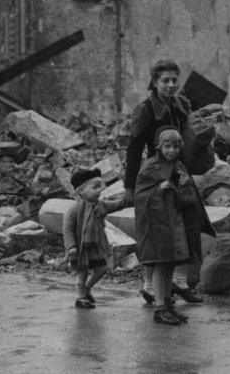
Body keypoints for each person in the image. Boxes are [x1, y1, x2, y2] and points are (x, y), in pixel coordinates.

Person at [123, 59, 204, 305]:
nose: (170, 85)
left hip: (179, 171)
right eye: (165, 81)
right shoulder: (145, 109)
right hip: (157, 172)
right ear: (155, 82)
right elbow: (134, 149)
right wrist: (130, 186)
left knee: (185, 226)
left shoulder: (181, 104)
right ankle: (149, 287)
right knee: (159, 229)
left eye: (174, 80)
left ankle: (178, 283)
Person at [134, 127, 214, 325]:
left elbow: (187, 197)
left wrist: (184, 185)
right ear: (159, 146)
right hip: (158, 226)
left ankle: (168, 303)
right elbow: (140, 196)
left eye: (176, 146)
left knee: (170, 264)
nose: (171, 150)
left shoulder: (178, 166)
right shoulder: (150, 166)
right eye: (167, 146)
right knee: (162, 264)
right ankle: (160, 308)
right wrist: (159, 189)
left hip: (174, 224)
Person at [62, 168, 126, 309]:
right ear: (81, 191)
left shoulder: (100, 206)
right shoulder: (74, 208)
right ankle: (80, 298)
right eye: (95, 187)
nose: (99, 191)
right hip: (80, 247)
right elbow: (67, 229)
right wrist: (71, 246)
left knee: (103, 268)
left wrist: (128, 198)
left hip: (96, 245)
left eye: (100, 187)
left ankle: (87, 287)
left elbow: (116, 205)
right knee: (82, 272)